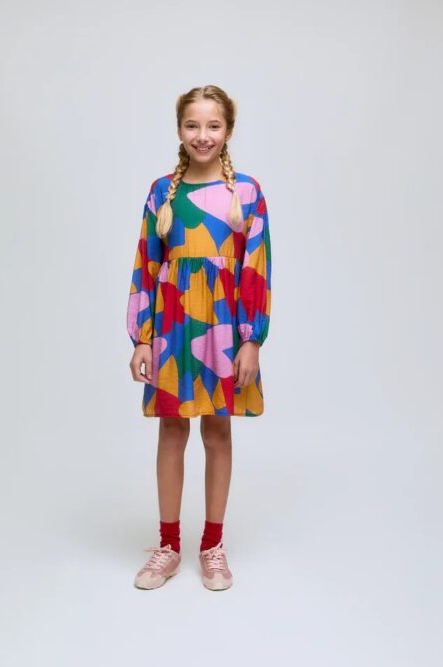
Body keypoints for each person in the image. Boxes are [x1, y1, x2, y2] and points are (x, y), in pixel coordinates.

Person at [126, 84, 272, 591]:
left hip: (225, 328)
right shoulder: (161, 192)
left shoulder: (246, 193)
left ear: (228, 131)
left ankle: (213, 546)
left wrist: (251, 339)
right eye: (193, 125)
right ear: (179, 130)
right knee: (171, 431)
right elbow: (146, 265)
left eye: (213, 125)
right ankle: (168, 546)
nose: (202, 135)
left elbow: (256, 268)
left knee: (217, 432)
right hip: (172, 326)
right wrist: (142, 338)